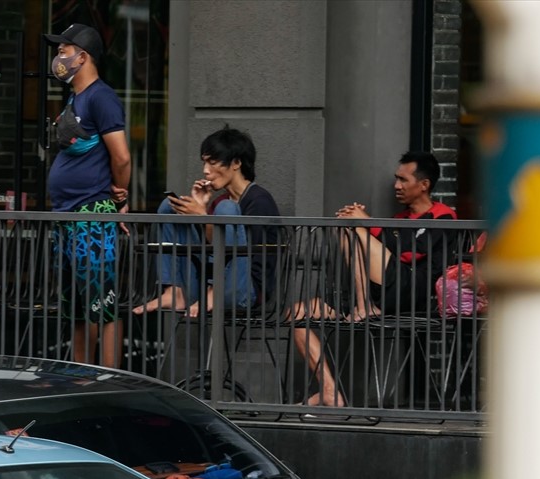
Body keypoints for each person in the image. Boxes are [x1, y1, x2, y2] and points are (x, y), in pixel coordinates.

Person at [287, 150, 458, 406]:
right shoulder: (399, 219)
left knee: (357, 227)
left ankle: (364, 305)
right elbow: (383, 251)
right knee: (296, 314)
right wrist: (357, 221)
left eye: (403, 180)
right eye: (396, 179)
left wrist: (368, 223)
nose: (396, 185)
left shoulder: (444, 216)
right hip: (375, 293)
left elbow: (412, 252)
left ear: (424, 185)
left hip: (412, 294)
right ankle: (330, 390)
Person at [44, 23, 131, 368]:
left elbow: (121, 156)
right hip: (67, 215)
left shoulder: (101, 97)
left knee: (102, 304)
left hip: (92, 214)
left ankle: (107, 379)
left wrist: (119, 200)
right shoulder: (75, 97)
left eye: (63, 50)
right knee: (76, 306)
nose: (58, 58)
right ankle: (80, 374)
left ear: (83, 57)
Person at [132, 126, 281, 317]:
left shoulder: (259, 200)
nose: (205, 171)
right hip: (206, 284)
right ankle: (174, 291)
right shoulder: (219, 201)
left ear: (236, 163)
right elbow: (210, 250)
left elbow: (243, 256)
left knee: (226, 210)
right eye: (204, 163)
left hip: (245, 290)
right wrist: (201, 211)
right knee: (169, 206)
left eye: (213, 162)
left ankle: (214, 291)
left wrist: (204, 217)